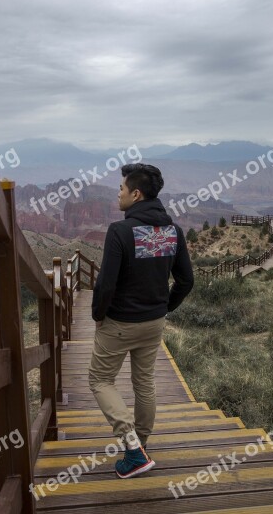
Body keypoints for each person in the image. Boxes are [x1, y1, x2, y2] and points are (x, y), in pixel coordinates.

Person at [88, 163, 194, 479]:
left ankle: (134, 451)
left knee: (100, 380)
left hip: (119, 323)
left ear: (136, 194)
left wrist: (97, 315)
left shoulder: (120, 231)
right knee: (144, 382)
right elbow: (186, 281)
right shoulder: (172, 231)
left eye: (121, 188)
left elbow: (105, 284)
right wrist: (164, 307)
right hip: (154, 322)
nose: (118, 193)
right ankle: (141, 444)